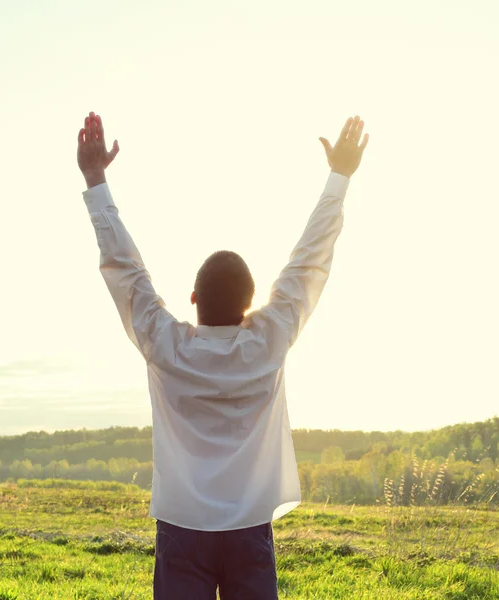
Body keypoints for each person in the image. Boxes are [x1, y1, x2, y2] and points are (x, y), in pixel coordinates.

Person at [77, 112, 368, 599]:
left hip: (182, 529)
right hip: (249, 529)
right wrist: (339, 176)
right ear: (249, 305)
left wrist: (95, 181)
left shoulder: (165, 344)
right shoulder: (268, 342)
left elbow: (126, 271)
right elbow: (309, 261)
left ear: (192, 299)